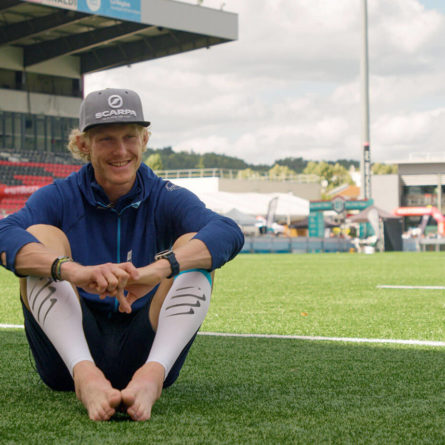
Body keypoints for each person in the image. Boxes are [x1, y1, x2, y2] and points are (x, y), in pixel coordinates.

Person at [0, 88, 244, 421]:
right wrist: (74, 271)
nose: (121, 151)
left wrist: (159, 269)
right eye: (106, 140)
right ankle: (86, 376)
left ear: (145, 139)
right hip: (68, 358)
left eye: (130, 137)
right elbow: (4, 233)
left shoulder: (165, 195)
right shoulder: (59, 196)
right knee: (41, 237)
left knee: (194, 244)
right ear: (84, 144)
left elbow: (228, 232)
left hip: (148, 350)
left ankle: (151, 378)